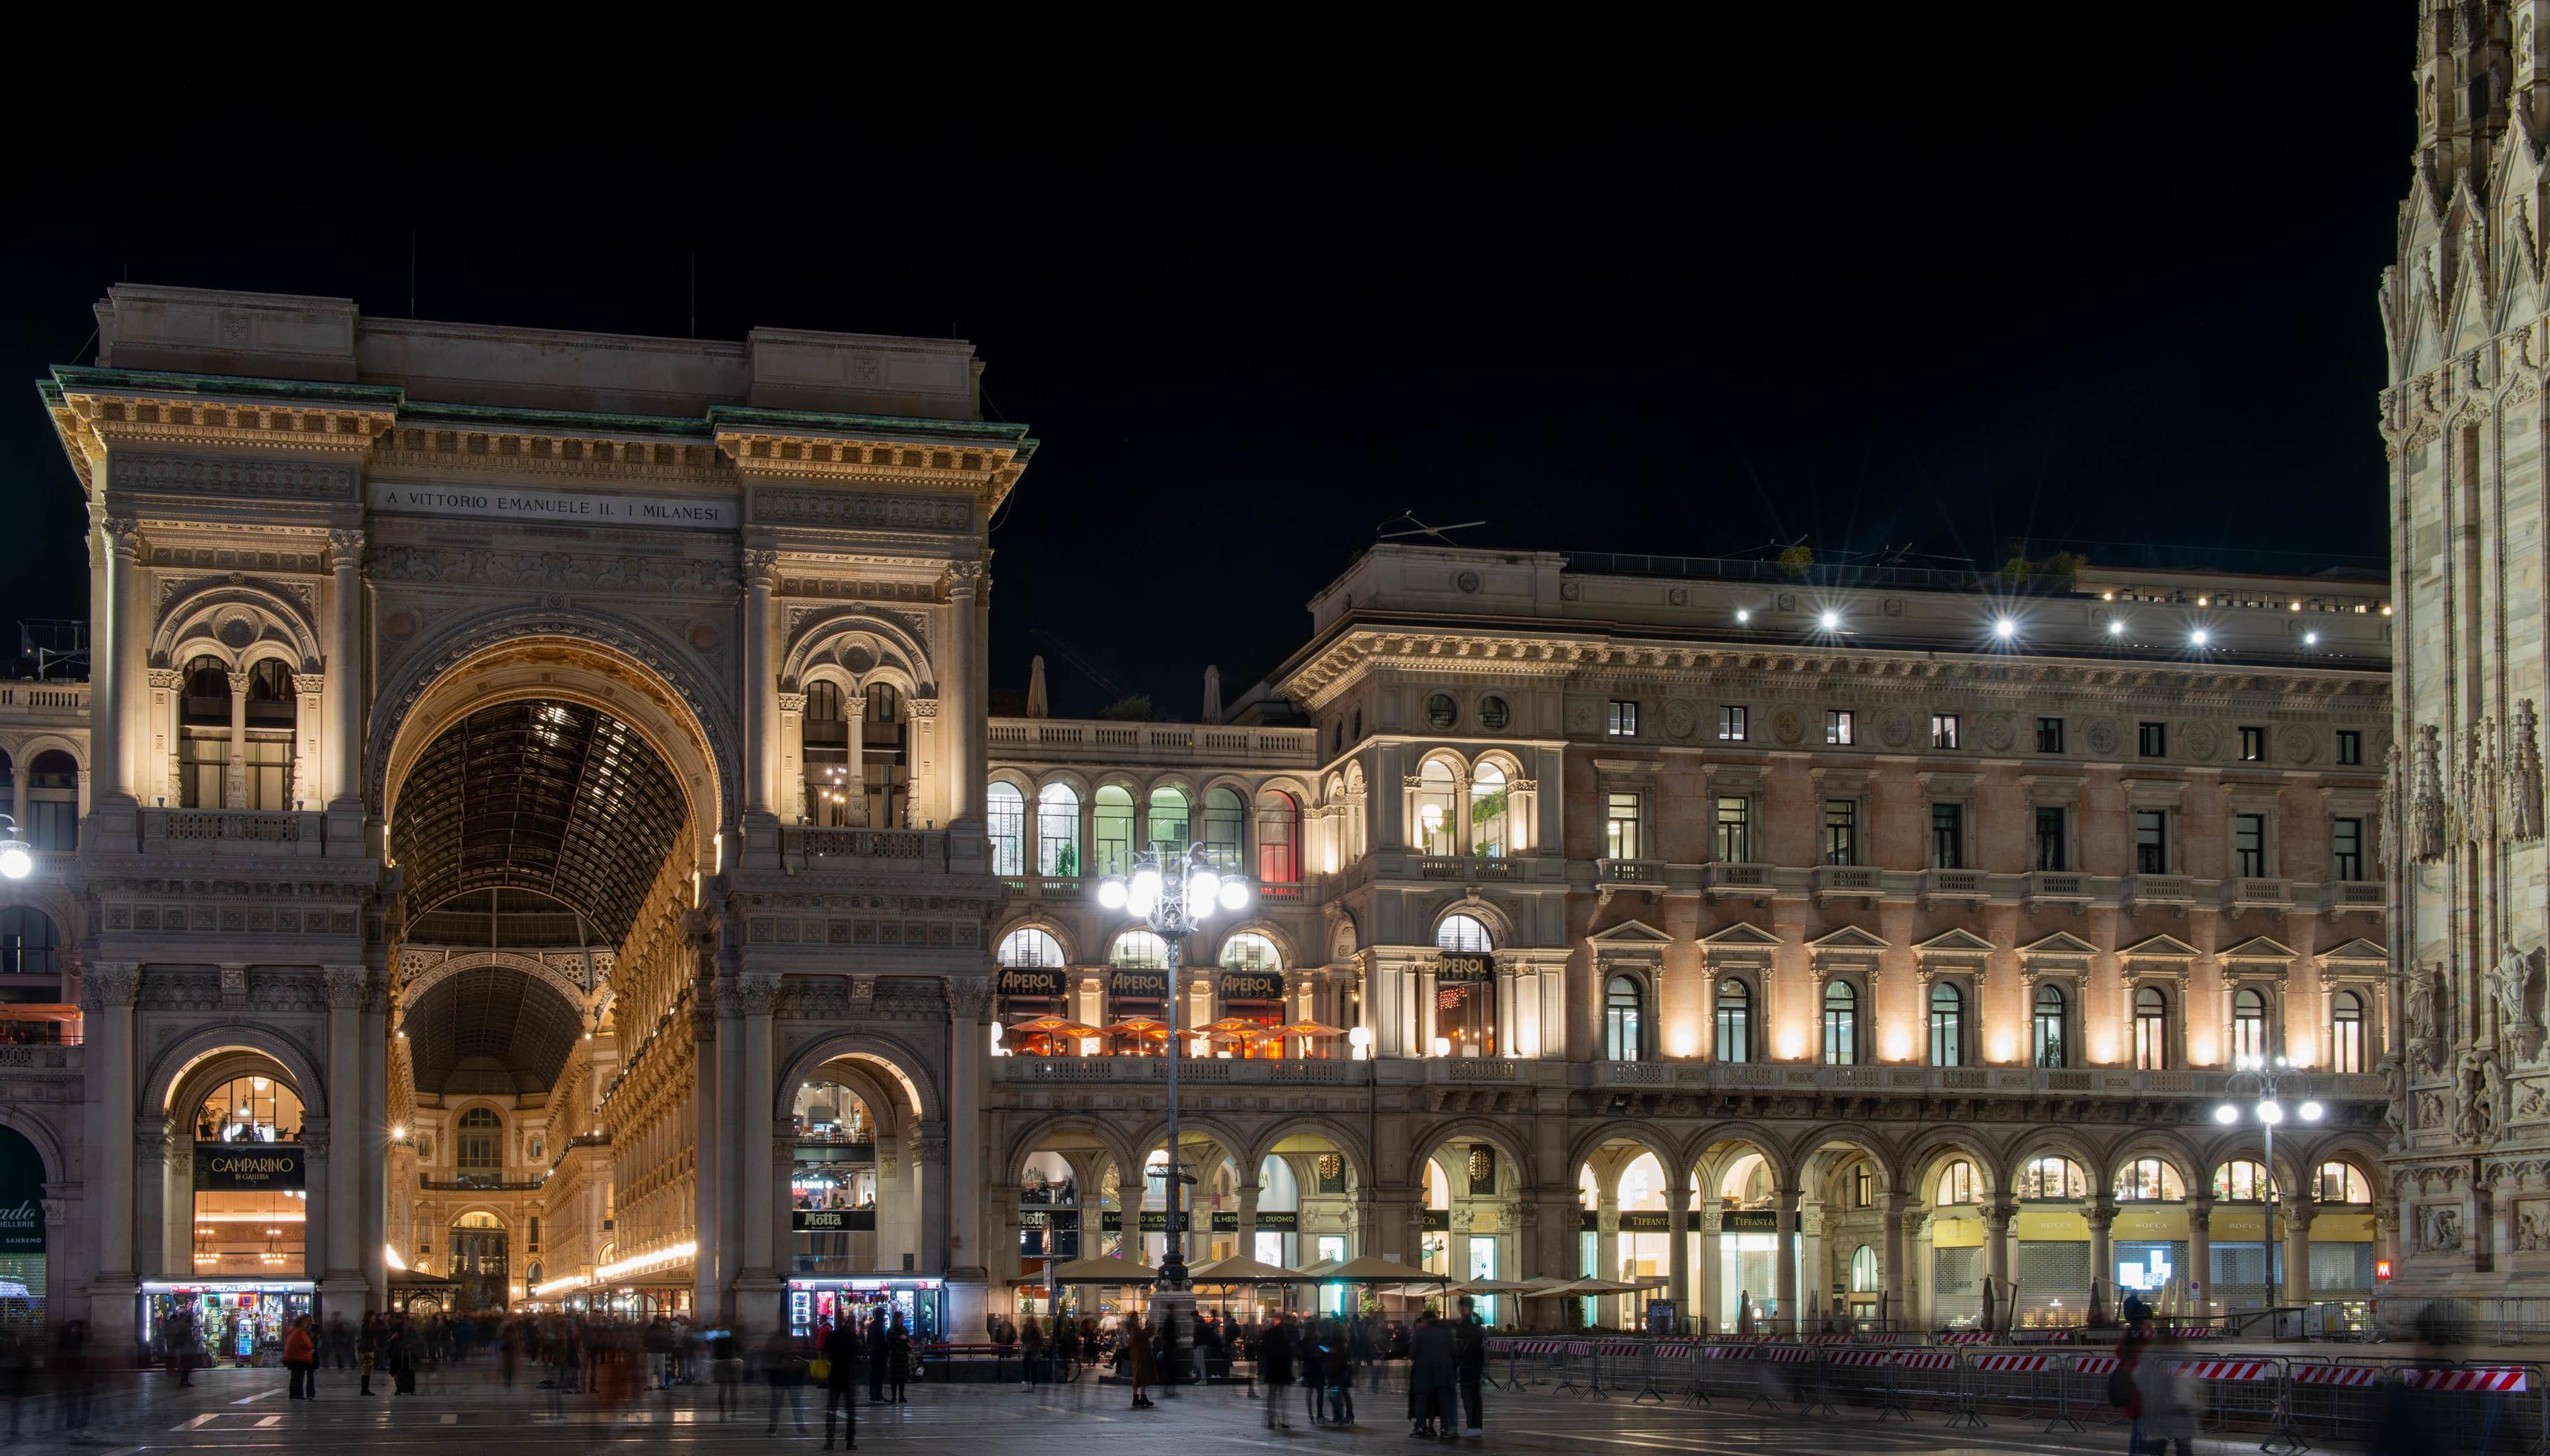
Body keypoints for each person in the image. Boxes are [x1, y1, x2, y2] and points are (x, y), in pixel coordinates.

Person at [2132, 1324, 2197, 1456]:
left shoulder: (2149, 1352)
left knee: (2157, 1446)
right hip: (2181, 1408)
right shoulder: (2186, 1353)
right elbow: (2195, 1380)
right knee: (2184, 1447)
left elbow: (2137, 1378)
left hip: (2156, 1409)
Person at [1409, 1310, 1456, 1439]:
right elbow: (1454, 1351)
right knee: (1443, 1400)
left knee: (1422, 1400)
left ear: (1424, 1320)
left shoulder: (1420, 1332)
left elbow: (1413, 1353)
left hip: (1424, 1371)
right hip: (1443, 1371)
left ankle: (1419, 1427)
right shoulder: (1446, 1332)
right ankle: (1445, 1428)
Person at [823, 1316, 861, 1450]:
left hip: (835, 1375)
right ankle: (850, 1441)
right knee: (850, 1410)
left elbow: (825, 1351)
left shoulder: (833, 1335)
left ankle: (829, 1440)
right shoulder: (852, 1337)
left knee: (832, 1409)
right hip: (848, 1375)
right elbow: (858, 1352)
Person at [764, 1325, 809, 1436]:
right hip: (785, 1379)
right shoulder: (780, 1348)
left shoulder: (775, 1345)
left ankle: (774, 1428)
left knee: (780, 1404)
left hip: (783, 1379)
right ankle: (799, 1427)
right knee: (792, 1403)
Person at [1453, 1296, 1488, 1435]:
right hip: (1472, 1364)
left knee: (1470, 1395)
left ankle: (1473, 1425)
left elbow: (1466, 1343)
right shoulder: (1474, 1321)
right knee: (1472, 1395)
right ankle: (1474, 1425)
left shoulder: (1469, 1323)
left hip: (1469, 1364)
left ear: (1465, 1307)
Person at [1258, 1313, 1297, 1429]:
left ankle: (1272, 1419)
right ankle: (1284, 1419)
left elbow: (1263, 1353)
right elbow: (1290, 1353)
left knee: (1272, 1395)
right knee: (1282, 1396)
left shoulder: (1269, 1335)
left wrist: (1262, 1371)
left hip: (1273, 1368)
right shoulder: (1287, 1335)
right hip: (1283, 1369)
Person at [1126, 1313, 1158, 1408]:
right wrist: (1151, 1328)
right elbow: (1146, 1335)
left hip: (1137, 1356)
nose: (1138, 1319)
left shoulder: (1132, 1330)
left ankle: (1136, 1398)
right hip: (1142, 1356)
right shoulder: (1136, 1330)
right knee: (1143, 1377)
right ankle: (1142, 1397)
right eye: (1136, 1318)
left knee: (1137, 1377)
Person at [282, 1315, 317, 1401]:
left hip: (292, 1357)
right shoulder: (300, 1332)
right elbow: (306, 1344)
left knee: (295, 1376)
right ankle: (297, 1394)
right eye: (306, 1322)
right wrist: (311, 1344)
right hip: (299, 1357)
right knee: (298, 1377)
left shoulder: (293, 1330)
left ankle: (293, 1394)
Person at [886, 1318, 913, 1403]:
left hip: (900, 1356)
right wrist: (900, 1338)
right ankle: (895, 1396)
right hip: (897, 1356)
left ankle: (900, 1396)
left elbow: (907, 1339)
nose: (902, 1320)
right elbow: (890, 1341)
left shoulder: (902, 1329)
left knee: (900, 1378)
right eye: (901, 1318)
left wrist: (905, 1339)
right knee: (896, 1378)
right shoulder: (892, 1330)